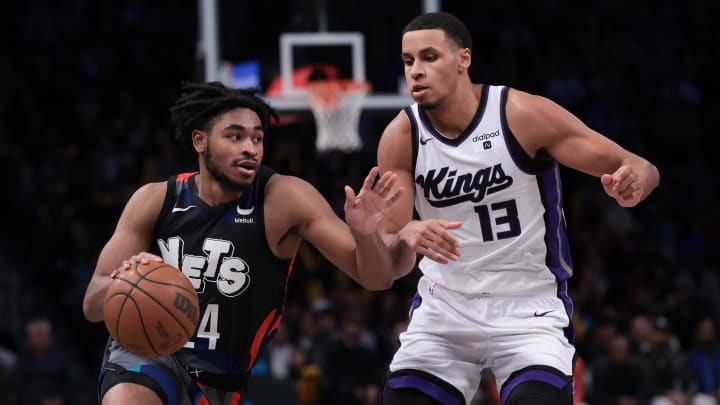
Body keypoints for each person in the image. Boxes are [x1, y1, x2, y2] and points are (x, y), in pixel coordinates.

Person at [374, 11, 660, 405]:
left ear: (463, 59)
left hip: (527, 309)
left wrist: (635, 183)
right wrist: (403, 233)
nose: (416, 71)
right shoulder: (401, 137)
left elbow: (640, 166)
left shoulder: (521, 114)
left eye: (429, 57)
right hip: (445, 309)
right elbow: (391, 259)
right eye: (408, 62)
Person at [81, 81, 423, 405]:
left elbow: (376, 279)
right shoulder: (155, 200)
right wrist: (122, 284)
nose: (250, 148)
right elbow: (92, 305)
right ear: (200, 141)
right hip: (148, 354)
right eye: (235, 136)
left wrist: (364, 235)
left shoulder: (283, 198)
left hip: (221, 382)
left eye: (257, 138)